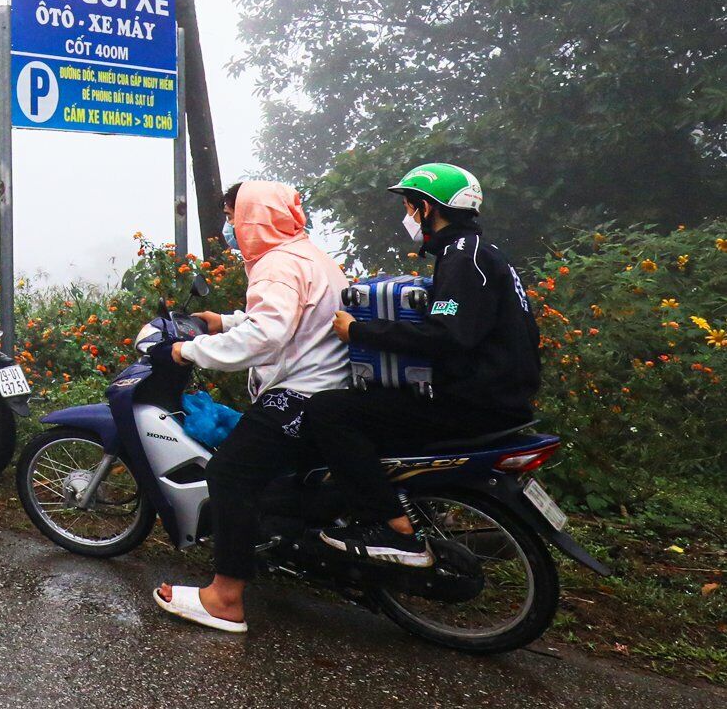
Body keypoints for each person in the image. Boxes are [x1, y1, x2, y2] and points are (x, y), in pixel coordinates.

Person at [308, 163, 542, 566]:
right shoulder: (484, 254)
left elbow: (447, 336)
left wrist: (360, 333)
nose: (408, 215)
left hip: (475, 404)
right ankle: (414, 506)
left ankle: (394, 529)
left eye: (410, 205)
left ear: (428, 208)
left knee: (329, 412)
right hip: (503, 396)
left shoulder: (462, 258)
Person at [151, 181, 351, 634]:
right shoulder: (306, 254)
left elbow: (266, 336)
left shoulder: (277, 265)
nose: (230, 228)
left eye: (232, 216)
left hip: (302, 391)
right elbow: (294, 319)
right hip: (330, 388)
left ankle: (225, 597)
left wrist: (189, 352)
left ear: (254, 217)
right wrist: (224, 322)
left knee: (229, 473)